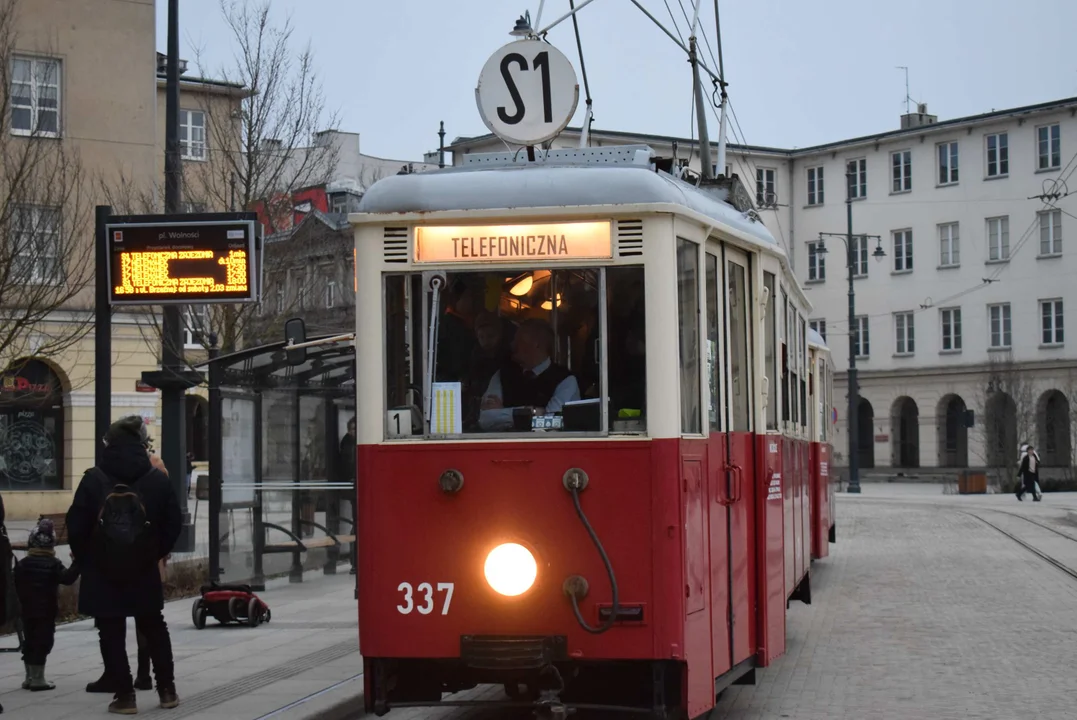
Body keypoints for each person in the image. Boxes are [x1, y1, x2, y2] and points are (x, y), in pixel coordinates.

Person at [66, 416, 182, 714]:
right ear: (141, 445)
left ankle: (125, 696)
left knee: (111, 631)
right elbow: (173, 522)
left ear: (109, 444)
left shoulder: (93, 478)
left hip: (103, 570)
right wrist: (154, 551)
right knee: (154, 627)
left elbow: (75, 525)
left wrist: (88, 558)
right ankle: (167, 691)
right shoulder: (157, 479)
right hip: (143, 567)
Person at [13, 517, 80, 691]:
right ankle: (38, 679)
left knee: (29, 640)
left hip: (26, 610)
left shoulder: (22, 565)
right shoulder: (53, 564)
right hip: (46, 611)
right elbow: (68, 579)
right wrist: (77, 562)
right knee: (43, 642)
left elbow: (14, 583)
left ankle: (28, 677)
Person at [479, 318, 580, 431]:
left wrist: (504, 412)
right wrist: (531, 411)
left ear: (536, 344)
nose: (512, 345)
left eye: (519, 341)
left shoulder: (565, 380)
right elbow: (484, 419)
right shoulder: (502, 375)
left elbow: (550, 423)